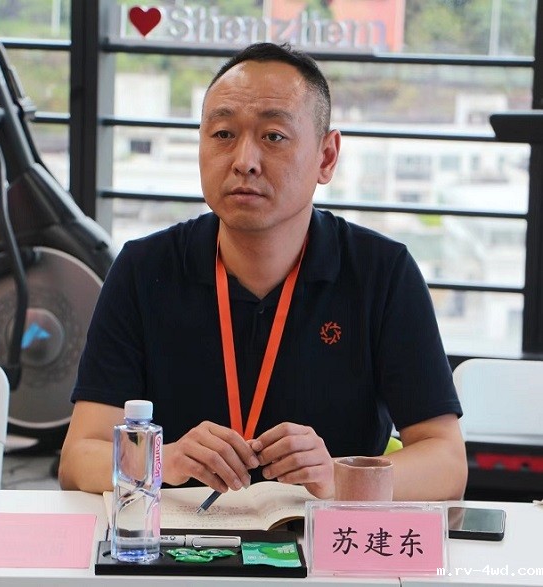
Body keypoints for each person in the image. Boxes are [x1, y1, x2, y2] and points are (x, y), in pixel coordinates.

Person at [58, 42, 467, 501]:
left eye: (273, 136)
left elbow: (447, 462)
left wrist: (337, 477)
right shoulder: (143, 269)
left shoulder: (382, 273)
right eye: (223, 134)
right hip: (180, 536)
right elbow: (79, 457)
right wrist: (161, 460)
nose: (244, 161)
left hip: (323, 537)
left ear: (326, 157)